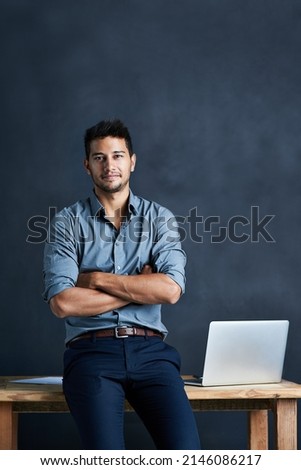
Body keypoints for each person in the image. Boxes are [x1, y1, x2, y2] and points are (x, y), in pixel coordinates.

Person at [43, 119, 200, 450]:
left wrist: (96, 279)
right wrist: (140, 287)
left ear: (132, 161)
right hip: (91, 354)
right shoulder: (67, 223)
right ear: (87, 166)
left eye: (117, 155)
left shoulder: (160, 219)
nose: (109, 165)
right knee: (107, 460)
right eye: (99, 157)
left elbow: (170, 290)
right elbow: (63, 303)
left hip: (153, 354)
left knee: (188, 455)